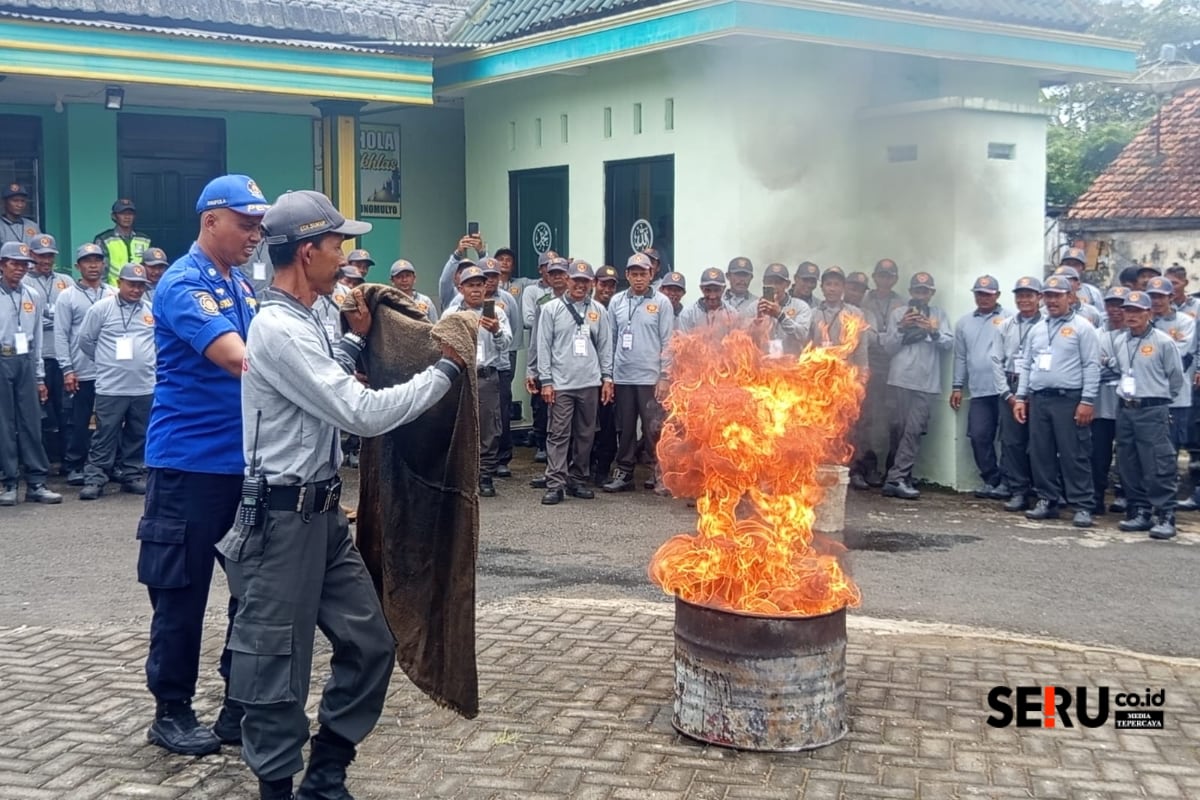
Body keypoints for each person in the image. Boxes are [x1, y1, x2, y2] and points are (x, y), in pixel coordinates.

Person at [222, 188, 466, 800]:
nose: (347, 258)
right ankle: (278, 789)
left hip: (324, 517)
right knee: (276, 668)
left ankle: (326, 774)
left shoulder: (311, 317)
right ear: (306, 253)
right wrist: (446, 371)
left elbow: (331, 368)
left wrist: (357, 336)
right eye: (337, 246)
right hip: (280, 522)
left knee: (371, 644)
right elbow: (358, 411)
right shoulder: (278, 327)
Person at [137, 174, 269, 756]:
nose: (255, 234)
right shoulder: (184, 285)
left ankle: (237, 703)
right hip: (188, 467)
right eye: (245, 223)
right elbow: (238, 359)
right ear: (210, 220)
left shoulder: (239, 284)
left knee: (253, 589)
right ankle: (171, 710)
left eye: (260, 225)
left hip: (242, 465)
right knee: (181, 594)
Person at [1013, 274, 1100, 528]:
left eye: (1057, 295)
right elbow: (1027, 366)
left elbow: (1091, 366)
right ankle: (1047, 499)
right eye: (1048, 296)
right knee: (1041, 452)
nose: (1052, 301)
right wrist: (1021, 397)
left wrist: (1087, 400)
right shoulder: (1037, 329)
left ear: (1070, 297)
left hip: (1069, 399)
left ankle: (1083, 504)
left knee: (1074, 453)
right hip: (1039, 399)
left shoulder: (1084, 328)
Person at [536, 261, 614, 504]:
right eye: (576, 280)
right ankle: (555, 483)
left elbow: (605, 346)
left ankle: (578, 478)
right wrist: (546, 381)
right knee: (558, 434)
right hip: (561, 384)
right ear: (567, 280)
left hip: (589, 382)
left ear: (592, 284)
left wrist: (607, 378)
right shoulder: (550, 309)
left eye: (585, 281)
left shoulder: (599, 310)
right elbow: (543, 346)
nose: (580, 285)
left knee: (585, 434)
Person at [1107, 290, 1183, 539]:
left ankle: (1165, 514)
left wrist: (1157, 398)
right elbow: (1120, 369)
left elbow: (1175, 378)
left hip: (1152, 408)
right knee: (1128, 462)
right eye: (1128, 310)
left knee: (1157, 463)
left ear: (1149, 313)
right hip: (1126, 409)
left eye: (1138, 311)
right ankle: (1139, 511)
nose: (1132, 315)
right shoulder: (1120, 340)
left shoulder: (1163, 341)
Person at [77, 264, 156, 500]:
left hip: (143, 385)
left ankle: (131, 474)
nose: (136, 289)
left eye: (141, 285)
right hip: (111, 386)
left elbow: (158, 344)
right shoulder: (101, 309)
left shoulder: (150, 311)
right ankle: (95, 478)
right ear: (119, 282)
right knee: (105, 433)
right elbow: (85, 341)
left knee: (138, 433)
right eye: (132, 284)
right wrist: (106, 360)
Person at [603, 252, 673, 493]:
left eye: (643, 274)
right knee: (625, 427)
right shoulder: (617, 302)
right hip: (623, 376)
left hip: (650, 378)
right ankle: (624, 473)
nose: (639, 279)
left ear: (651, 274)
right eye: (634, 274)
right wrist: (608, 376)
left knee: (654, 428)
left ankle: (660, 473)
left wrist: (665, 376)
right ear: (627, 275)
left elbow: (668, 342)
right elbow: (610, 340)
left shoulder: (662, 302)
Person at [880, 272, 952, 500]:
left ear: (932, 293)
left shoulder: (939, 315)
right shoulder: (898, 314)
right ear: (910, 292)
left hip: (926, 382)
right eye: (917, 290)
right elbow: (888, 348)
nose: (921, 294)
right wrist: (902, 328)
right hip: (899, 379)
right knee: (898, 430)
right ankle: (899, 475)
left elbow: (948, 343)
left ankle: (896, 478)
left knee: (913, 431)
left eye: (926, 290)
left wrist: (933, 330)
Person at [0, 241, 61, 505]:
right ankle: (10, 482)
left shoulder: (32, 295)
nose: (20, 269)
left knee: (31, 422)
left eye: (25, 265)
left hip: (25, 361)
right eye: (15, 264)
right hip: (2, 358)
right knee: (4, 424)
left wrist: (39, 377)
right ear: (2, 265)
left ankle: (36, 481)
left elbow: (36, 337)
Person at [55, 243, 116, 485]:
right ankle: (74, 465)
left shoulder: (113, 292)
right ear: (78, 266)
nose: (93, 265)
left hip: (110, 372)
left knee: (108, 423)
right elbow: (61, 334)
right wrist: (67, 369)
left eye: (97, 260)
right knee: (78, 422)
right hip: (81, 370)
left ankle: (105, 466)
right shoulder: (67, 296)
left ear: (103, 264)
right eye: (87, 261)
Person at [950, 275, 1010, 498]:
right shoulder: (964, 322)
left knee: (1009, 439)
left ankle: (1008, 482)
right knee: (978, 435)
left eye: (987, 294)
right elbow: (961, 357)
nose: (983, 298)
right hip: (978, 391)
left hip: (1005, 391)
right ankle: (991, 478)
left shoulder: (1009, 318)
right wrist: (957, 386)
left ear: (997, 295)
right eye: (979, 294)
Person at [457, 263, 512, 497]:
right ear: (461, 289)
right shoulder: (452, 314)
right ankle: (464, 475)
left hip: (487, 376)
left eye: (480, 285)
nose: (477, 290)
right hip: (461, 378)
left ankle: (486, 475)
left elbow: (507, 343)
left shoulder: (497, 312)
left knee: (490, 428)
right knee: (462, 427)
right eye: (471, 285)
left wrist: (497, 331)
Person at [993, 276, 1044, 512]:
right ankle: (1018, 491)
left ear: (1039, 298)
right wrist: (1006, 393)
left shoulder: (1047, 326)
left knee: (1039, 442)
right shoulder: (1006, 325)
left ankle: (1043, 492)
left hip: (1037, 390)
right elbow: (996, 360)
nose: (1024, 300)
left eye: (1029, 295)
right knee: (1012, 442)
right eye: (1020, 295)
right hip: (1011, 387)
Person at [23, 234, 72, 465]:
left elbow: (72, 318)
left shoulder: (65, 281)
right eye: (41, 256)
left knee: (65, 410)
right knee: (40, 412)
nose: (46, 260)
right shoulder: (24, 282)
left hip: (62, 356)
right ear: (31, 256)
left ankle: (65, 459)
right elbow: (30, 322)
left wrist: (51, 320)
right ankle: (41, 460)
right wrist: (55, 320)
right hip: (36, 358)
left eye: (50, 256)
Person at [859, 258, 907, 485]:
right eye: (881, 275)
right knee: (868, 417)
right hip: (870, 362)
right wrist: (883, 339)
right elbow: (861, 332)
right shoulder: (864, 301)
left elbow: (903, 333)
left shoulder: (902, 303)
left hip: (895, 365)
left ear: (895, 278)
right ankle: (868, 467)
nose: (885, 279)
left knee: (895, 420)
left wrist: (886, 339)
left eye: (889, 275)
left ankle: (892, 468)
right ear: (875, 277)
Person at [1145, 276, 1195, 454]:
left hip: (1175, 396)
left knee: (1170, 447)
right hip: (1148, 396)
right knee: (1148, 447)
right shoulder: (1142, 322)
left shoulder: (1184, 321)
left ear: (1171, 297)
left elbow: (1179, 354)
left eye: (1161, 296)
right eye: (1152, 296)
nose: (1156, 301)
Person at [1091, 286, 1128, 517]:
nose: (1115, 309)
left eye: (1120, 305)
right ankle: (1096, 497)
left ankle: (1125, 496)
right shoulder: (1096, 333)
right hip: (1100, 403)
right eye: (1111, 304)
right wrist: (1114, 366)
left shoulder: (1134, 334)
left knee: (1125, 453)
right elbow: (1093, 366)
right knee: (1098, 454)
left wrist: (1109, 363)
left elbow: (1129, 368)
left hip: (1125, 404)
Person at [590, 264, 620, 484]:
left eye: (611, 285)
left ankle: (603, 470)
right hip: (588, 376)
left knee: (608, 425)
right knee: (586, 426)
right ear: (594, 283)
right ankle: (584, 468)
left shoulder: (619, 307)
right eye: (603, 284)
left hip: (612, 376)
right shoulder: (586, 308)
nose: (607, 289)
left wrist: (609, 376)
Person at [758, 263, 811, 355]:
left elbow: (802, 335)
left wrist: (781, 316)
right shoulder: (754, 307)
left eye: (778, 282)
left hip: (790, 364)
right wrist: (758, 320)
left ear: (787, 284)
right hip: (762, 365)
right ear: (763, 282)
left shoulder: (801, 306)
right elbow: (741, 338)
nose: (774, 286)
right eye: (769, 282)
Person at [95, 199, 152, 285]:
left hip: (139, 290)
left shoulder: (144, 239)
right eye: (122, 213)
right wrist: (104, 291)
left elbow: (150, 268)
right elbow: (101, 270)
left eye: (130, 213)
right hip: (113, 291)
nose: (127, 217)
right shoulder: (104, 239)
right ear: (114, 216)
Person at [676, 268, 741, 334]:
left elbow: (736, 340)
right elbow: (682, 341)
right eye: (708, 290)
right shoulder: (688, 314)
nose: (712, 296)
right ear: (701, 289)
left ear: (723, 289)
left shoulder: (732, 314)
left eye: (717, 290)